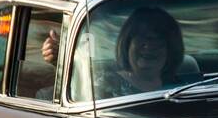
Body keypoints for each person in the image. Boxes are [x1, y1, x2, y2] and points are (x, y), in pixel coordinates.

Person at [42, 6, 197, 96]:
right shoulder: (103, 84)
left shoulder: (185, 87)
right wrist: (62, 61)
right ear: (127, 43)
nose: (149, 46)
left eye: (158, 40)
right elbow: (79, 85)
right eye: (142, 38)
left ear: (170, 48)